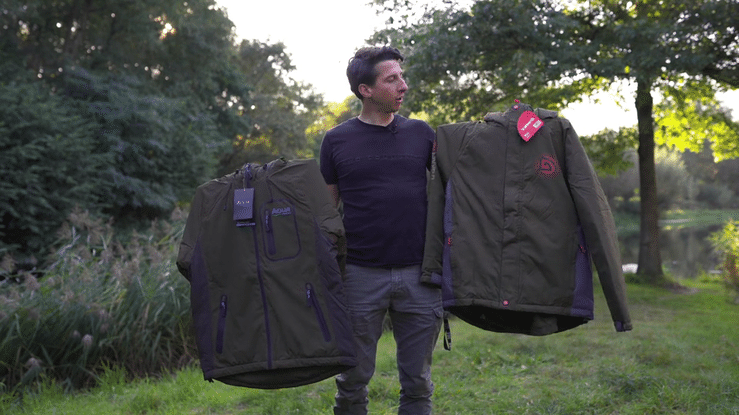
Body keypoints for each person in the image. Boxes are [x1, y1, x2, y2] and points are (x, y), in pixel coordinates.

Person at [319, 46, 443, 415]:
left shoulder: (422, 134)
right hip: (359, 275)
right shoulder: (336, 140)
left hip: (420, 274)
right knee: (352, 380)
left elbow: (453, 192)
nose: (403, 85)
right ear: (366, 89)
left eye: (402, 77)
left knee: (418, 382)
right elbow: (326, 212)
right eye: (392, 79)